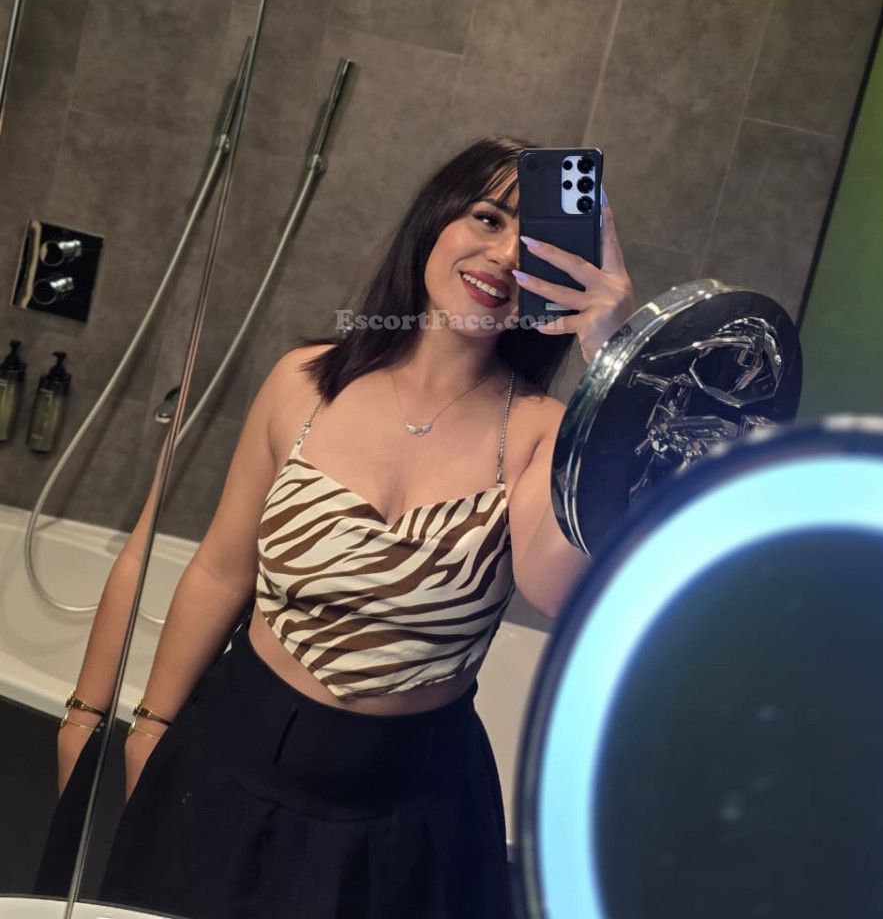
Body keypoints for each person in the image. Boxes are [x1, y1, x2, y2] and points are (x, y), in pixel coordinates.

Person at [51, 136, 634, 919]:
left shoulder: (547, 433)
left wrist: (612, 368)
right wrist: (148, 730)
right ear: (435, 220)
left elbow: (556, 589)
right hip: (227, 762)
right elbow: (221, 570)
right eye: (487, 218)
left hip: (410, 815)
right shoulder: (305, 382)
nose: (502, 255)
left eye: (533, 242)